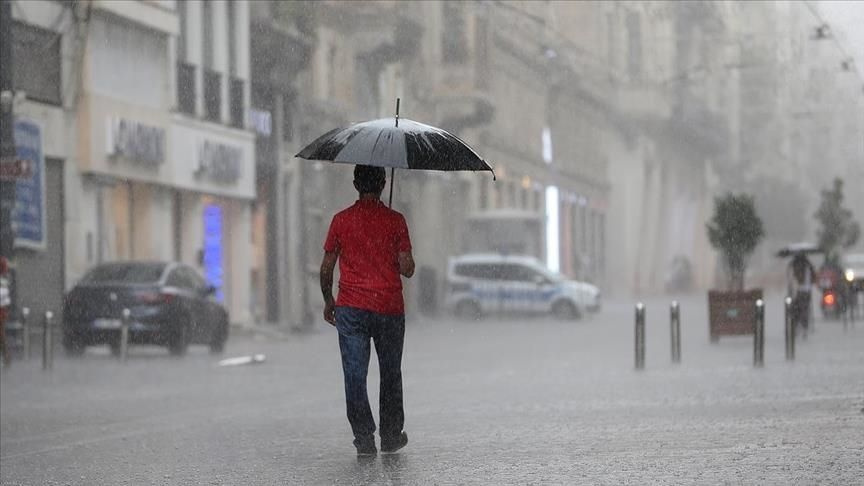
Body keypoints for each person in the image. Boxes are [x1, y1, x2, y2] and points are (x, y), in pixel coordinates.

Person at [320, 165, 415, 456]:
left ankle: (363, 437)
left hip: (351, 308)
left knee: (354, 374)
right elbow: (408, 269)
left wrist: (328, 300)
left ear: (355, 184)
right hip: (388, 308)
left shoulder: (340, 220)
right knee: (390, 373)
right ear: (384, 184)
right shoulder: (396, 221)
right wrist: (394, 254)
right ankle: (389, 435)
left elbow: (326, 268)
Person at [787, 253, 816, 333]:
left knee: (797, 308)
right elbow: (814, 277)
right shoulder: (809, 265)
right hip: (806, 290)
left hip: (799, 291)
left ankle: (798, 324)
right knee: (804, 308)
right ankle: (803, 325)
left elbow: (793, 279)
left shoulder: (796, 265)